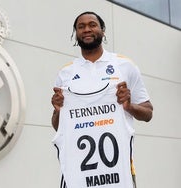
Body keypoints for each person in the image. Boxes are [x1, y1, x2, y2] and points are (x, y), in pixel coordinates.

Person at [51, 11, 153, 188]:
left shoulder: (124, 65)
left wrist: (129, 106)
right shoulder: (65, 73)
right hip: (79, 177)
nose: (87, 29)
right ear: (75, 33)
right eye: (81, 27)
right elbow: (58, 127)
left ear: (102, 30)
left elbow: (148, 113)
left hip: (119, 174)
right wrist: (58, 110)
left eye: (92, 25)